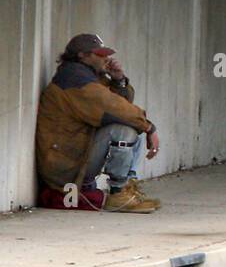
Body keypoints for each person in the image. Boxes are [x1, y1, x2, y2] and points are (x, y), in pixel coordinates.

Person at [35, 33, 161, 213]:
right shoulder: (75, 80)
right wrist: (150, 127)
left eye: (106, 54)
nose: (106, 58)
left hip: (76, 155)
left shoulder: (88, 76)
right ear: (82, 55)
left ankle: (127, 186)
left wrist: (119, 80)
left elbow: (122, 104)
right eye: (100, 54)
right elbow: (114, 108)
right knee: (124, 130)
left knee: (133, 128)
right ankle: (118, 193)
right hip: (65, 167)